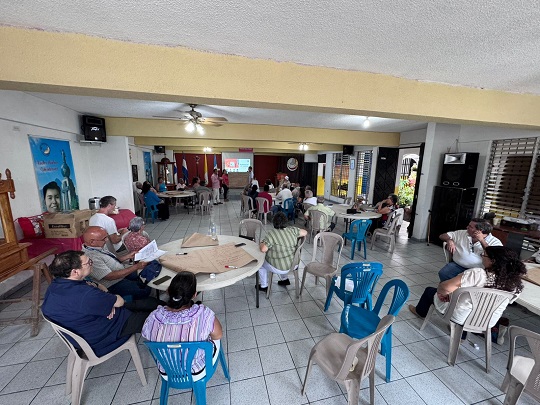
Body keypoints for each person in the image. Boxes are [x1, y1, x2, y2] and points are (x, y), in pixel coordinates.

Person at [42, 250, 160, 357]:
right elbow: (119, 301)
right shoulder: (85, 294)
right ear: (75, 272)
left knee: (151, 303)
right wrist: (109, 300)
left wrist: (105, 299)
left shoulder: (56, 285)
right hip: (105, 333)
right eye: (88, 263)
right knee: (158, 320)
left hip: (91, 322)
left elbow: (101, 292)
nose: (91, 264)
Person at [409, 246, 526, 341]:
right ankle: (461, 335)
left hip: (460, 316)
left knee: (430, 291)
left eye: (484, 255)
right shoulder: (516, 284)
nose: (482, 257)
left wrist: (445, 294)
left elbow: (445, 286)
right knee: (473, 305)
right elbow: (509, 301)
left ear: (493, 261)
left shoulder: (479, 274)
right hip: (488, 321)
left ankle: (420, 312)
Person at [142, 272, 223, 375]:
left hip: (166, 370)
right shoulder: (204, 314)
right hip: (196, 370)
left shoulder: (154, 316)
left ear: (168, 292)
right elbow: (218, 335)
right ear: (194, 295)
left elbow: (146, 335)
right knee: (214, 337)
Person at [82, 226, 151, 299]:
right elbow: (110, 276)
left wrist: (127, 256)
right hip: (113, 283)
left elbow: (110, 260)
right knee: (143, 290)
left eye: (106, 236)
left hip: (120, 272)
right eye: (104, 239)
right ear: (92, 242)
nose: (107, 240)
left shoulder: (96, 247)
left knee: (145, 274)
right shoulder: (91, 258)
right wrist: (136, 267)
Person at [257, 212, 308, 291]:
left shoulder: (272, 234)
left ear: (274, 222)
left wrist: (261, 243)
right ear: (286, 222)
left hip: (279, 267)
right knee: (284, 256)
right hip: (294, 264)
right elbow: (305, 232)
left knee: (260, 265)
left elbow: (263, 249)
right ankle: (285, 279)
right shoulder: (292, 230)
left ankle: (264, 286)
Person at [438, 218, 502, 281]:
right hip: (458, 265)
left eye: (470, 227)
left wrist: (481, 240)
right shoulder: (462, 233)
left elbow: (493, 255)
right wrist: (449, 240)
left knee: (468, 283)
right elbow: (442, 236)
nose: (467, 227)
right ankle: (447, 290)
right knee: (443, 273)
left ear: (479, 231)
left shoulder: (495, 242)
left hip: (478, 270)